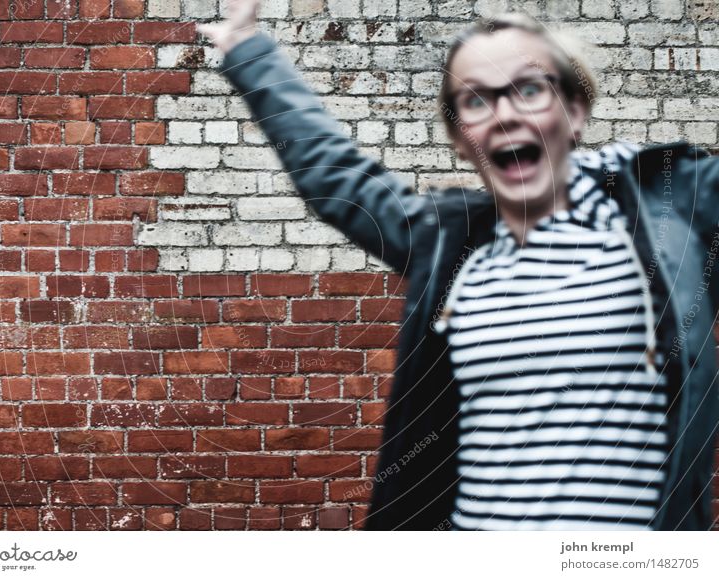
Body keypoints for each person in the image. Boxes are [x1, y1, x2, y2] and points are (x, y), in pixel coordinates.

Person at [199, 0, 719, 530]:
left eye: (531, 89)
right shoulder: (449, 245)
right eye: (475, 100)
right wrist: (248, 50)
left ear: (576, 110)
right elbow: (336, 175)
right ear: (458, 139)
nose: (505, 113)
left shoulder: (677, 214)